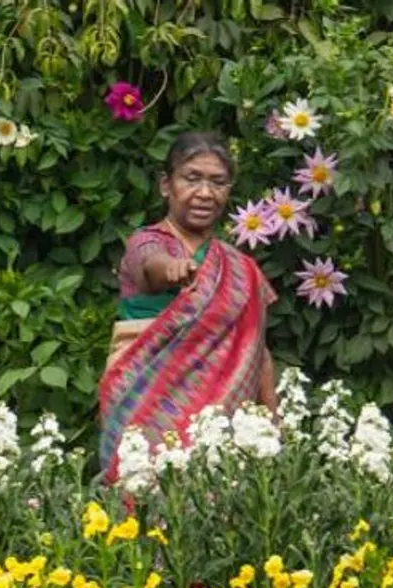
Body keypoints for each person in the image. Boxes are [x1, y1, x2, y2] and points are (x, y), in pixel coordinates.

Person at [99, 131, 279, 481]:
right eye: (192, 178)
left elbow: (256, 348)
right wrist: (174, 269)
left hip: (220, 419)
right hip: (143, 408)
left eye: (218, 182)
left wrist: (272, 421)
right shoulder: (146, 243)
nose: (205, 193)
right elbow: (154, 266)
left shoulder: (240, 268)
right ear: (166, 185)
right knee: (141, 500)